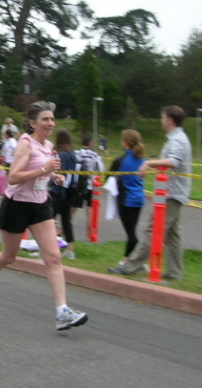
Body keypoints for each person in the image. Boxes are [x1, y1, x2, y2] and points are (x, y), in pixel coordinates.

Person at [0, 101, 88, 331]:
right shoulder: (24, 144)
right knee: (8, 256)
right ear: (32, 123)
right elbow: (14, 177)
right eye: (45, 119)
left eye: (52, 119)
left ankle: (62, 312)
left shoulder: (47, 145)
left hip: (40, 205)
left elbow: (44, 169)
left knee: (53, 257)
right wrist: (44, 170)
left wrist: (52, 176)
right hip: (16, 205)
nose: (50, 123)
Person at [109, 106, 192, 281]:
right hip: (175, 193)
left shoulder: (177, 140)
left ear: (170, 120)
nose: (161, 121)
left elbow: (174, 161)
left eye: (162, 118)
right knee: (173, 235)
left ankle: (130, 266)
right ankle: (174, 272)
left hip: (171, 194)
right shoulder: (178, 138)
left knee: (153, 230)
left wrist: (149, 164)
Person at [108, 130, 146, 266]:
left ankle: (125, 261)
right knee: (132, 231)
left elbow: (108, 177)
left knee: (132, 235)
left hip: (126, 200)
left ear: (125, 143)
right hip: (139, 199)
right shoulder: (142, 159)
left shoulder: (120, 161)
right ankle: (132, 260)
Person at [50, 128, 78, 259]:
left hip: (59, 191)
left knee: (48, 220)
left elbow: (60, 172)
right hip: (70, 192)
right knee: (66, 222)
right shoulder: (72, 154)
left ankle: (47, 248)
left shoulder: (62, 155)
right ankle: (70, 250)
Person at [72, 134, 105, 239]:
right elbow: (100, 169)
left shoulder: (76, 153)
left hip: (79, 185)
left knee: (72, 208)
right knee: (90, 211)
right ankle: (90, 234)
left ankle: (63, 231)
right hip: (91, 185)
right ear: (90, 143)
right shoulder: (95, 155)